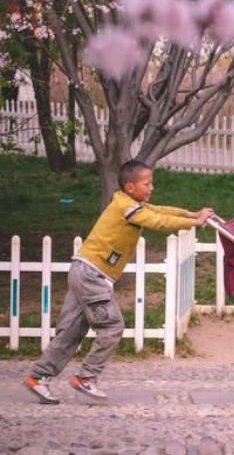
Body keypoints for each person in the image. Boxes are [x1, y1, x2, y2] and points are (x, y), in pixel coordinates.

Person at [24, 159, 214, 404]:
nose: (152, 187)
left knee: (71, 332)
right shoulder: (127, 207)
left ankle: (37, 378)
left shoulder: (130, 204)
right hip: (92, 275)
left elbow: (160, 211)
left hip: (82, 269)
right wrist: (194, 223)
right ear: (130, 187)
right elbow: (158, 222)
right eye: (147, 183)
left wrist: (191, 214)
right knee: (112, 327)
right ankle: (86, 378)